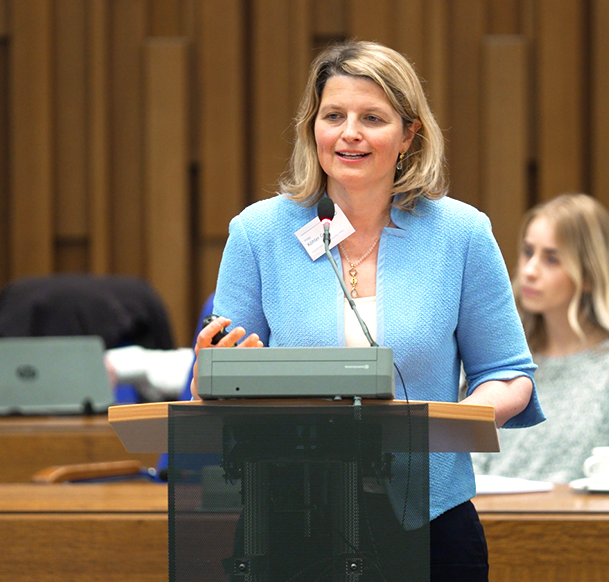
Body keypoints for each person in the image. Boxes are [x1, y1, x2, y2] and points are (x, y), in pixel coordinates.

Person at [190, 40, 543, 581]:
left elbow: (508, 374)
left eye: (372, 118)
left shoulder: (462, 235)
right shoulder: (258, 233)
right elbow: (212, 388)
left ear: (408, 135)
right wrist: (213, 371)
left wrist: (449, 424)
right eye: (334, 116)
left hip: (430, 521)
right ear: (314, 128)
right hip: (287, 519)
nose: (349, 132)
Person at [473, 194, 609, 484]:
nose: (529, 271)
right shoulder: (500, 356)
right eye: (528, 252)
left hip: (593, 525)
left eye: (551, 259)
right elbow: (465, 465)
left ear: (590, 275)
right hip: (494, 522)